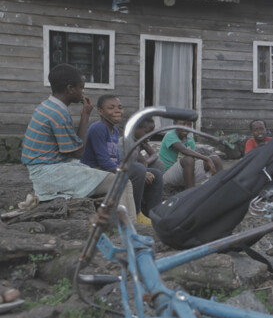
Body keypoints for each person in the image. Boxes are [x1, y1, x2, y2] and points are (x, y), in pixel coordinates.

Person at [21, 63, 136, 219]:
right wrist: (85, 116)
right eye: (81, 88)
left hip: (45, 168)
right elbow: (78, 152)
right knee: (122, 182)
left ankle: (112, 221)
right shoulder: (57, 113)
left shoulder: (48, 106)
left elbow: (73, 149)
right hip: (47, 173)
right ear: (70, 89)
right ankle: (129, 229)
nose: (83, 92)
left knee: (101, 176)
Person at [81, 95, 163, 223]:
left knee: (155, 174)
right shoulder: (98, 128)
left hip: (108, 168)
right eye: (111, 108)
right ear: (100, 111)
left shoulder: (115, 131)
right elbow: (104, 162)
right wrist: (138, 171)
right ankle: (136, 213)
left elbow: (117, 160)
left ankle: (154, 214)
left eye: (120, 107)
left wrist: (142, 171)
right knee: (138, 169)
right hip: (95, 170)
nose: (117, 111)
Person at [159, 119, 223, 189]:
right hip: (169, 175)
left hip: (185, 174)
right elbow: (184, 150)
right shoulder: (170, 135)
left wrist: (209, 161)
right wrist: (207, 159)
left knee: (215, 159)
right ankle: (190, 193)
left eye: (189, 124)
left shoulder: (190, 140)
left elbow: (193, 158)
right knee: (188, 159)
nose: (186, 127)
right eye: (183, 124)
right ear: (175, 123)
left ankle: (219, 190)